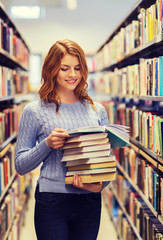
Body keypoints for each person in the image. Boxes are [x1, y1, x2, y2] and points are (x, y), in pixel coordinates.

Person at [15, 39, 110, 240]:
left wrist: (99, 185)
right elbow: (21, 165)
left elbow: (107, 162)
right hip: (52, 201)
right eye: (64, 68)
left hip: (89, 201)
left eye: (77, 68)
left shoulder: (97, 110)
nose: (73, 75)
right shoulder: (34, 111)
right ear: (51, 69)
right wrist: (46, 145)